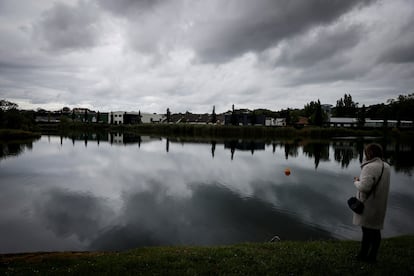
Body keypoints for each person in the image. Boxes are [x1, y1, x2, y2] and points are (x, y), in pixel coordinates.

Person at [353, 143, 391, 263]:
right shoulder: (386, 166)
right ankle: (372, 256)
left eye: (366, 152)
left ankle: (363, 255)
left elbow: (364, 188)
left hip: (368, 205)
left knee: (367, 231)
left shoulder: (369, 167)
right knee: (375, 230)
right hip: (379, 203)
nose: (365, 155)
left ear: (370, 153)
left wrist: (356, 182)